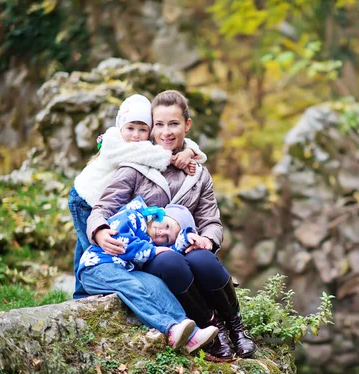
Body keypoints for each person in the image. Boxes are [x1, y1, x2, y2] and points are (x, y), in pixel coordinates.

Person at [87, 90, 257, 360]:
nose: (166, 132)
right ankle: (213, 328)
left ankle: (236, 328)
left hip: (185, 241)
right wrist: (99, 230)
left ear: (186, 125)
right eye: (159, 125)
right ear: (152, 128)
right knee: (171, 263)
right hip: (148, 250)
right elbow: (102, 208)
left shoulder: (198, 173)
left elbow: (210, 220)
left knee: (204, 261)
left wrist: (208, 240)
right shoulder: (135, 165)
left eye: (174, 124)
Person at [68, 94, 207, 299]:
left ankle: (85, 293)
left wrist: (189, 151)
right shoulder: (113, 142)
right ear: (120, 125)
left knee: (87, 246)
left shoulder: (143, 142)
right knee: (94, 250)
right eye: (131, 128)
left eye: (143, 130)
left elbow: (172, 142)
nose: (136, 135)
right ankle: (85, 296)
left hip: (103, 199)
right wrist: (177, 158)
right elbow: (150, 154)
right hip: (85, 199)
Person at [77, 195, 218, 353]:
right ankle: (169, 328)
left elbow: (166, 250)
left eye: (167, 237)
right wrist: (152, 250)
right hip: (96, 266)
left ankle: (191, 335)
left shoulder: (152, 241)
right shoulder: (132, 215)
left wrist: (186, 239)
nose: (161, 232)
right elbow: (120, 241)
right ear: (160, 214)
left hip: (126, 270)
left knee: (157, 285)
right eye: (165, 225)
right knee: (132, 287)